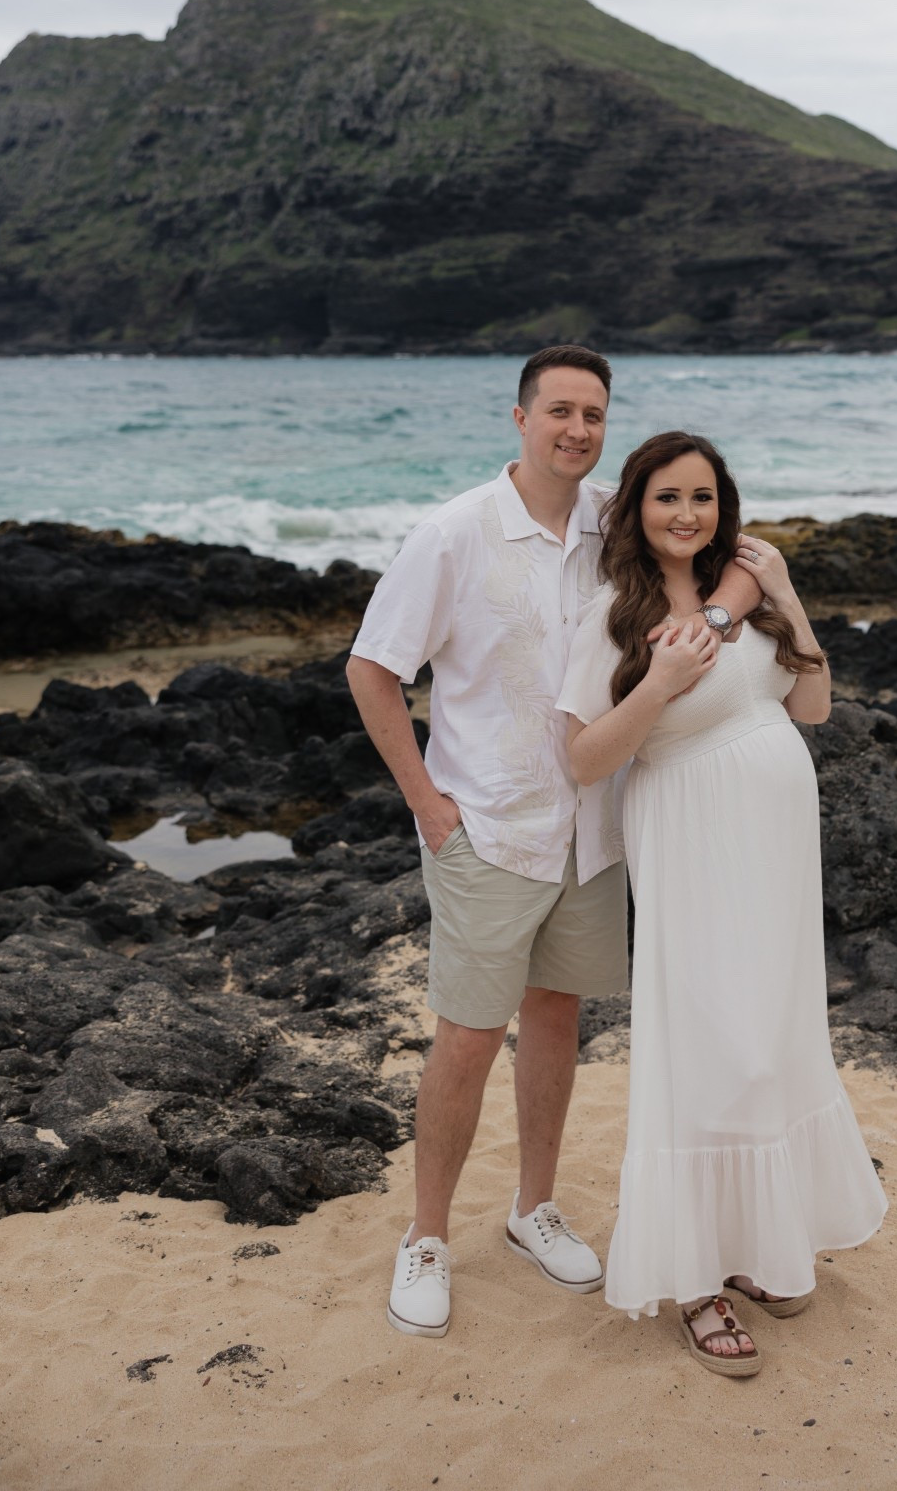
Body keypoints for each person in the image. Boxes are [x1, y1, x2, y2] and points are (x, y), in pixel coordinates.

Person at [346, 350, 762, 1339]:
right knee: (467, 1034)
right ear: (521, 415)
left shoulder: (614, 519)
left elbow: (744, 559)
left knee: (556, 1016)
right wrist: (427, 802)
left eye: (594, 413)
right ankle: (428, 1234)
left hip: (591, 830)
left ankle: (533, 1207)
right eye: (560, 410)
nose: (577, 427)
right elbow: (372, 668)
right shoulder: (453, 534)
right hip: (485, 825)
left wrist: (705, 623)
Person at [557, 430, 887, 1377]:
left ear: (722, 504)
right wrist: (658, 685)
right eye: (667, 498)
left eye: (702, 497)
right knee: (710, 1041)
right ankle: (694, 1280)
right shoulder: (613, 618)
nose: (686, 515)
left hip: (778, 851)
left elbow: (812, 707)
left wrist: (785, 598)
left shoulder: (740, 589)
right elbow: (583, 759)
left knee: (774, 1036)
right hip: (692, 838)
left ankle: (753, 1249)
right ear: (635, 507)